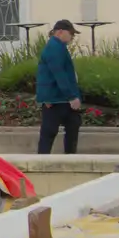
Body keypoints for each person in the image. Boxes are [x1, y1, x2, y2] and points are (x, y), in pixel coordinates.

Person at [35, 19, 83, 154]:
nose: (72, 37)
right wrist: (72, 96)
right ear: (60, 32)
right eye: (71, 33)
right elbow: (59, 73)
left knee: (71, 128)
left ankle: (66, 158)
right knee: (50, 132)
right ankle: (43, 162)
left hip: (59, 98)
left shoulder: (58, 47)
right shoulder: (54, 48)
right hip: (57, 99)